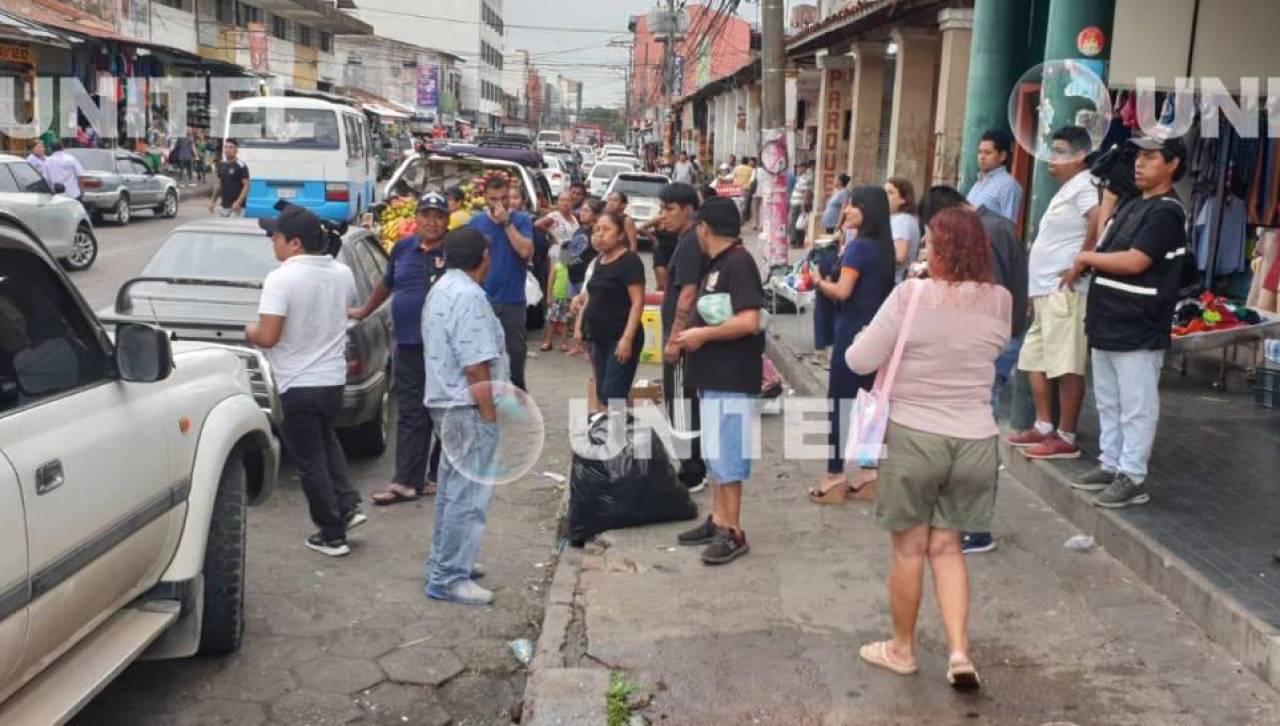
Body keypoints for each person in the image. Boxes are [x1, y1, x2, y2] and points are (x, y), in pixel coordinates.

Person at [846, 207, 1012, 691]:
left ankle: (902, 649)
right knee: (948, 546)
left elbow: (860, 359)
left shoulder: (912, 295)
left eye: (928, 245)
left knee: (909, 550)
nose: (922, 252)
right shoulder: (1000, 300)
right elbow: (990, 348)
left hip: (916, 436)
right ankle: (960, 651)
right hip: (977, 439)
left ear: (941, 250)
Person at [1062, 134, 1189, 509]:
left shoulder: (1167, 211)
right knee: (1109, 401)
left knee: (1137, 405)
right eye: (1139, 157)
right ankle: (1111, 462)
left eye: (1150, 158)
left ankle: (1132, 476)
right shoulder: (1135, 203)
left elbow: (1136, 261)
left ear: (1172, 165)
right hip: (1108, 319)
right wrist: (1111, 199)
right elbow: (1105, 243)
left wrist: (1085, 258)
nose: (1139, 163)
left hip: (1138, 323)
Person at [916, 185, 1029, 555]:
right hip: (995, 342)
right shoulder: (995, 226)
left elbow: (982, 297)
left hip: (990, 346)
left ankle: (975, 528)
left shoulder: (985, 232)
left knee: (976, 435)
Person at [247, 205, 364, 557]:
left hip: (295, 382)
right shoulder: (341, 273)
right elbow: (346, 309)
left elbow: (268, 336)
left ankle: (331, 534)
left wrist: (247, 330)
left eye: (276, 237)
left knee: (310, 461)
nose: (272, 242)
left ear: (294, 243)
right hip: (332, 381)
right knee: (327, 444)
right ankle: (348, 506)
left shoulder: (280, 278)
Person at [671, 196, 764, 565]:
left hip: (733, 375)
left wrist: (702, 337)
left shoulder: (739, 264)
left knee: (728, 457)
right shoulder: (718, 264)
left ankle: (733, 531)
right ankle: (718, 519)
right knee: (715, 455)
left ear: (704, 229)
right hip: (713, 376)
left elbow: (749, 321)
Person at [422, 228, 510, 606]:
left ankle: (446, 562)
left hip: (445, 402)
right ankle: (449, 577)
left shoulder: (442, 287)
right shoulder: (469, 296)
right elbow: (476, 365)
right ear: (483, 257)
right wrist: (489, 415)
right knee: (468, 495)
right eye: (488, 254)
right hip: (466, 407)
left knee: (452, 489)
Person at [1006, 125, 1100, 460]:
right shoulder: (1066, 189)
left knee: (1065, 364)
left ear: (1080, 155)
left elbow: (1098, 220)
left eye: (1060, 151)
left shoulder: (1086, 185)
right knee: (1035, 359)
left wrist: (1081, 263)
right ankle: (1044, 426)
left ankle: (1066, 434)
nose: (1051, 158)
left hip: (1067, 292)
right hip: (1045, 292)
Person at [350, 193, 450, 506]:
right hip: (407, 345)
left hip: (444, 350)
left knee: (444, 414)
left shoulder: (454, 252)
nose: (431, 221)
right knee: (410, 413)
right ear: (417, 218)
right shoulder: (404, 248)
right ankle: (406, 480)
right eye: (426, 215)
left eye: (438, 216)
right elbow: (387, 283)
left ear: (447, 221)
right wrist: (365, 309)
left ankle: (438, 475)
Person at [807, 187, 896, 504]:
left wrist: (819, 282)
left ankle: (834, 475)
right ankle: (868, 472)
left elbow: (843, 291)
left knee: (840, 404)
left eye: (853, 205)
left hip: (852, 332)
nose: (847, 210)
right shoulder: (884, 248)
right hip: (878, 332)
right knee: (872, 404)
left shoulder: (860, 248)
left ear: (867, 210)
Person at [658, 183, 708, 493]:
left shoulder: (690, 242)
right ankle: (692, 463)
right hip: (684, 335)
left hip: (683, 339)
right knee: (680, 400)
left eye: (669, 209)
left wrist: (674, 340)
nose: (663, 215)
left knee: (680, 401)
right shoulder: (685, 239)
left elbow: (688, 292)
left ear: (688, 209)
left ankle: (692, 469)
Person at [468, 175, 534, 391]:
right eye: (493, 198)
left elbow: (525, 251)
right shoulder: (476, 223)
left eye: (504, 198)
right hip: (483, 300)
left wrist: (506, 222)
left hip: (512, 300)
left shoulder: (522, 220)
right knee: (484, 352)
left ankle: (518, 390)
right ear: (485, 197)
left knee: (515, 351)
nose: (499, 203)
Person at [580, 211, 646, 408]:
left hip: (621, 337)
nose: (599, 234)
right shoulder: (600, 260)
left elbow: (638, 302)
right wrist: (582, 325)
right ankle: (610, 434)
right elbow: (594, 295)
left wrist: (627, 339)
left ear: (620, 235)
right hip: (599, 338)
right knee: (602, 391)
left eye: (606, 230)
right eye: (596, 230)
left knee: (613, 393)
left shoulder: (629, 261)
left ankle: (620, 435)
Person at [537, 192, 580, 352]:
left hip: (570, 256)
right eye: (562, 200)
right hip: (557, 252)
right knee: (555, 280)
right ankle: (547, 339)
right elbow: (538, 224)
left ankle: (562, 340)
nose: (565, 203)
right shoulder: (555, 216)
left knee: (565, 304)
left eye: (568, 200)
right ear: (558, 202)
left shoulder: (574, 218)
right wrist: (553, 236)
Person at [966, 129, 1023, 224]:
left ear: (1002, 156)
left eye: (987, 153)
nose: (981, 157)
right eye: (980, 152)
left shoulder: (1008, 185)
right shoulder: (978, 182)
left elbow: (1008, 227)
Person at [886, 178, 922, 282]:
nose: (885, 196)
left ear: (903, 199)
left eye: (890, 193)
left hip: (895, 280)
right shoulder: (906, 219)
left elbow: (900, 256)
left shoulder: (901, 221)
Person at [210, 139, 249, 217]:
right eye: (226, 147)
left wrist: (238, 202)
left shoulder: (241, 166)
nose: (227, 149)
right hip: (223, 206)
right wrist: (213, 202)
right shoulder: (221, 164)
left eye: (231, 147)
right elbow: (218, 184)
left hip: (237, 207)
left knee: (234, 228)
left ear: (236, 150)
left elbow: (246, 186)